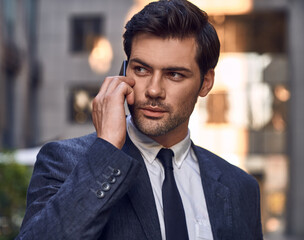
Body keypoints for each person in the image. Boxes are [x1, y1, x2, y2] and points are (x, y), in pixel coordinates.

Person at [16, 0, 263, 239]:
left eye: (174, 74)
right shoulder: (64, 162)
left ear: (206, 82)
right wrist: (107, 152)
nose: (153, 90)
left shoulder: (240, 188)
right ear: (124, 72)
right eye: (142, 70)